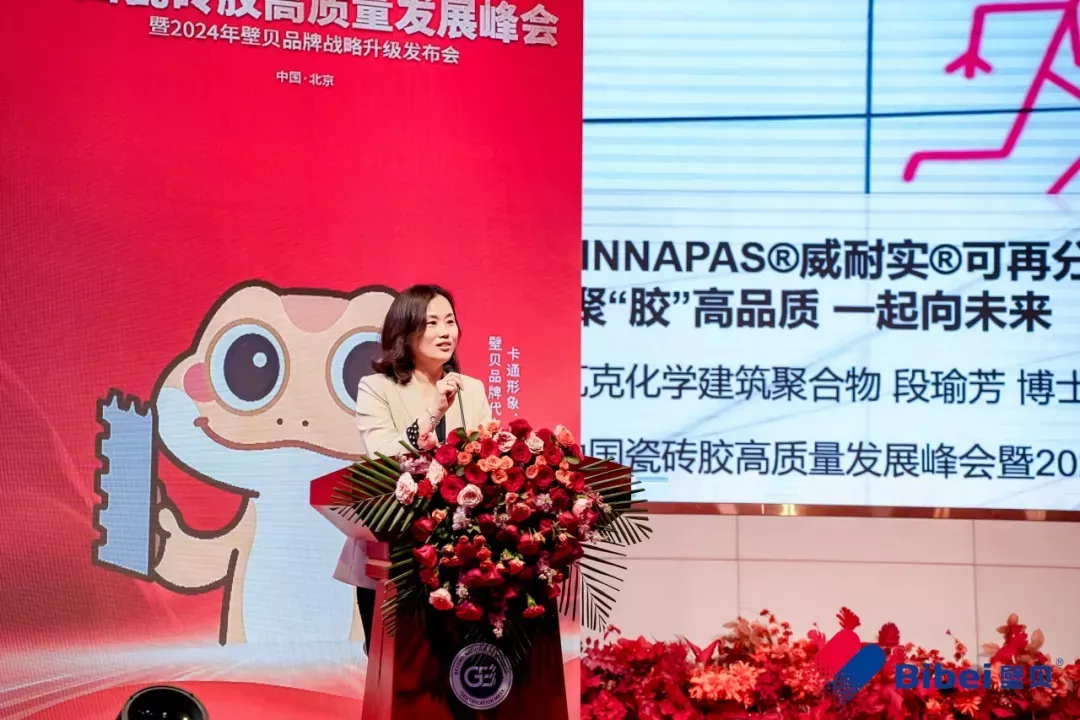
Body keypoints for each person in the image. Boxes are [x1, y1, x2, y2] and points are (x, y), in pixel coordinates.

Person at [335, 284, 492, 655]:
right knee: (395, 664)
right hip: (396, 551)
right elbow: (383, 455)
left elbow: (487, 457)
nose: (445, 332)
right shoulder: (377, 388)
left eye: (450, 321)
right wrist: (433, 412)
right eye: (431, 323)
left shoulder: (471, 390)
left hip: (462, 551)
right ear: (405, 332)